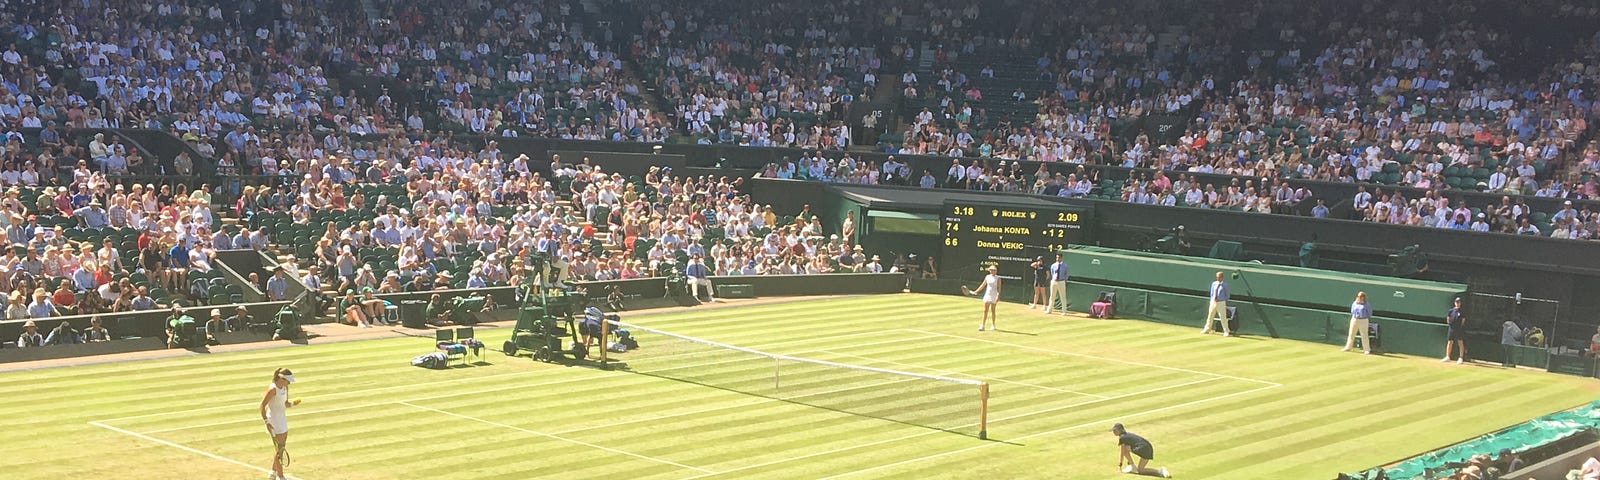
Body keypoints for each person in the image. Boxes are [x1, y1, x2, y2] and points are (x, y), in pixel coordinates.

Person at [258, 368, 300, 480]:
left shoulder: (286, 387)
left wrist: (293, 404)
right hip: (273, 421)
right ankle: (280, 476)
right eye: (288, 380)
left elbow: (285, 404)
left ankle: (272, 472)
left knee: (281, 448)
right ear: (282, 379)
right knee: (280, 449)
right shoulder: (272, 389)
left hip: (282, 420)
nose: (289, 382)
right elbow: (262, 406)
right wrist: (266, 422)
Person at [969, 265, 1001, 331]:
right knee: (985, 310)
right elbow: (983, 285)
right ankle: (982, 325)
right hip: (987, 295)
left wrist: (998, 296)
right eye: (992, 270)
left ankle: (993, 325)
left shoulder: (998, 278)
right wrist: (976, 291)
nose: (993, 271)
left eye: (994, 270)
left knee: (993, 310)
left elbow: (999, 288)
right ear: (990, 270)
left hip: (994, 295)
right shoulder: (987, 277)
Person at [1200, 271, 1232, 336]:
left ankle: (1226, 331)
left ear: (1222, 277)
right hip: (1213, 302)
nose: (1218, 278)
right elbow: (1212, 293)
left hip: (1221, 302)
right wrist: (1212, 299)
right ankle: (1207, 329)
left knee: (1223, 317)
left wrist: (1222, 300)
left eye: (1219, 277)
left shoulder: (1225, 285)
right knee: (1210, 315)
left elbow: (1227, 295)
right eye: (1217, 277)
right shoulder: (1214, 284)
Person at [1443, 297, 1467, 364]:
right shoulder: (1451, 311)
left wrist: (1459, 326)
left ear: (1460, 303)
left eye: (1459, 302)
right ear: (1454, 303)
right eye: (1456, 302)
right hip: (1451, 328)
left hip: (1459, 329)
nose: (1458, 303)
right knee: (1450, 342)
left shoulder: (1462, 311)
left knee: (1460, 343)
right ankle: (1447, 356)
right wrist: (1451, 324)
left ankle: (1461, 358)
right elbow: (1448, 319)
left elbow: (1463, 321)